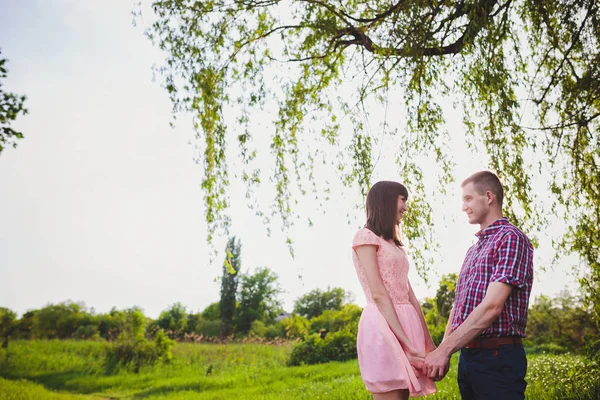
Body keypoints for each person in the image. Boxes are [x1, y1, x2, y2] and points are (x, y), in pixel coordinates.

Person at [424, 171, 534, 400]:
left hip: (497, 356)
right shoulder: (473, 250)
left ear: (489, 196)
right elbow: (458, 308)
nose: (464, 207)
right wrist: (444, 351)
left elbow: (493, 306)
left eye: (468, 198)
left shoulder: (510, 238)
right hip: (468, 356)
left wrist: (443, 350)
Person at [352, 180, 437, 399]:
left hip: (406, 321)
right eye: (403, 200)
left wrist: (429, 343)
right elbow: (379, 293)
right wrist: (406, 343)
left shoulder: (393, 243)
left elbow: (410, 294)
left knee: (402, 394)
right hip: (384, 323)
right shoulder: (365, 237)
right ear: (387, 201)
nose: (406, 208)